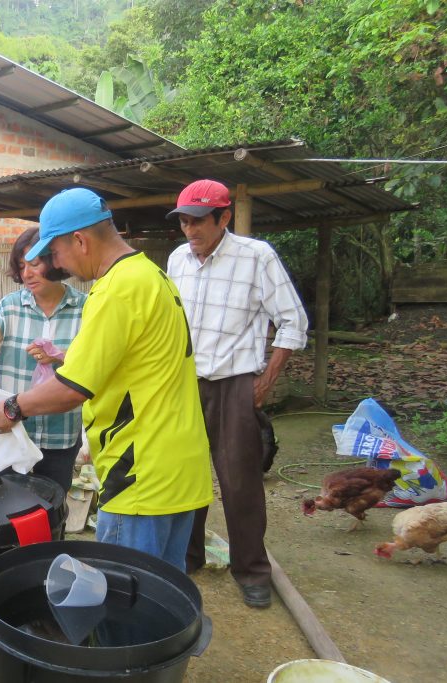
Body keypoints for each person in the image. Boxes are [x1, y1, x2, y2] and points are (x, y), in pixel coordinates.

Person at [0, 188, 212, 572]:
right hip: (181, 466)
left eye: (54, 253)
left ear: (80, 240)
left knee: (125, 606)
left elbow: (72, 388)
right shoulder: (152, 275)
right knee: (164, 596)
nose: (57, 265)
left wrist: (12, 406)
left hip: (141, 474)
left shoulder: (115, 289)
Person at [165, 179, 308, 608]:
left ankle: (251, 570)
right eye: (185, 221)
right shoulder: (177, 260)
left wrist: (265, 381)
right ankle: (186, 557)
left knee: (240, 481)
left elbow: (292, 322)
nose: (191, 230)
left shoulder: (256, 256)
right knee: (182, 475)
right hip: (184, 382)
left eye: (199, 221)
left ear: (224, 218)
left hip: (234, 383)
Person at [0, 226, 86, 493]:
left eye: (35, 264)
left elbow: (93, 363)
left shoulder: (85, 308)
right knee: (11, 508)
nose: (26, 273)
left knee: (52, 508)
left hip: (60, 434)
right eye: (21, 266)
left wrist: (60, 356)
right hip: (13, 430)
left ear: (55, 261)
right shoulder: (11, 305)